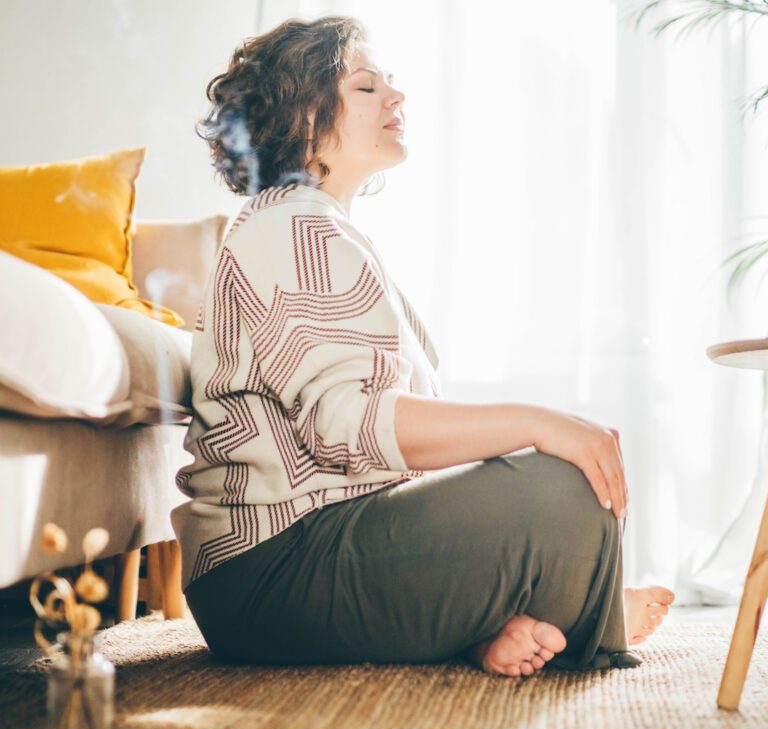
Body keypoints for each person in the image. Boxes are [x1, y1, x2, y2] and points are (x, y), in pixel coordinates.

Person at [171, 14, 675, 678]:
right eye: (365, 87)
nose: (396, 99)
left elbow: (382, 454)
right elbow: (346, 432)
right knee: (563, 490)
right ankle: (586, 610)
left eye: (390, 85)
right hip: (271, 573)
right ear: (302, 119)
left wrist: (525, 436)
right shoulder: (293, 227)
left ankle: (480, 630)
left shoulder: (314, 228)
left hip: (288, 565)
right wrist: (537, 425)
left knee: (544, 474)